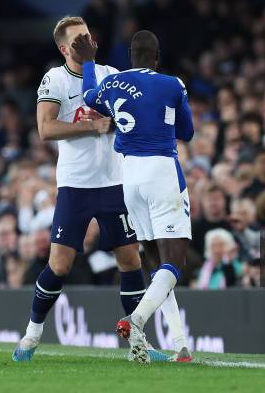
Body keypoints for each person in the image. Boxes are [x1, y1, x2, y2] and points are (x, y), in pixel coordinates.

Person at [12, 17, 171, 363]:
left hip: (115, 182)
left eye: (89, 34)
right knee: (60, 265)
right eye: (79, 38)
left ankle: (138, 344)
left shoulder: (111, 73)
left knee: (130, 260)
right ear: (64, 48)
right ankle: (32, 333)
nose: (88, 40)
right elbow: (45, 128)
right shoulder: (54, 78)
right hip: (76, 186)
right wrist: (91, 127)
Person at [75, 29, 194, 363]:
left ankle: (180, 343)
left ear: (130, 55)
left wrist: (88, 62)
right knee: (175, 261)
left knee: (155, 262)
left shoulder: (112, 84)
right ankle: (137, 319)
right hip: (161, 171)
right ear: (157, 57)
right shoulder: (172, 84)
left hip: (129, 178)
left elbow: (88, 96)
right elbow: (187, 132)